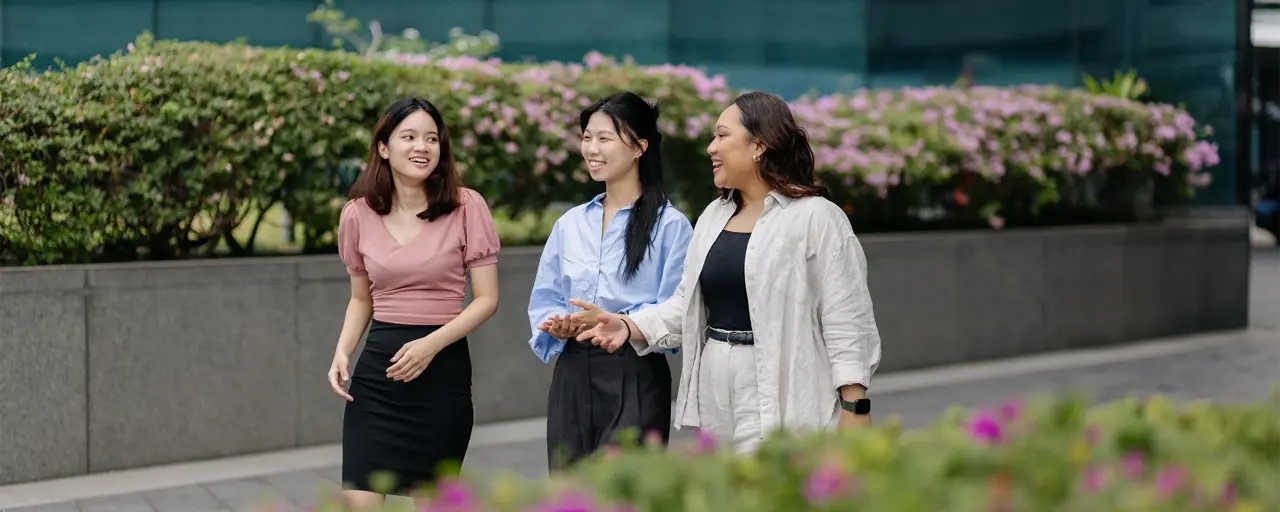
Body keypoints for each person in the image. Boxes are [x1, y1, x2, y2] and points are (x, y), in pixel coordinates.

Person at [575, 91, 882, 454]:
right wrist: (627, 325)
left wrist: (854, 405)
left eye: (722, 135)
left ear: (759, 146)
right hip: (717, 381)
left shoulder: (817, 218)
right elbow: (683, 306)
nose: (710, 148)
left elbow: (847, 320)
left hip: (783, 380)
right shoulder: (713, 216)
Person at [327, 97, 501, 507]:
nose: (422, 147)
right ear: (384, 148)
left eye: (431, 138)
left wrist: (431, 344)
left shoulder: (466, 206)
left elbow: (487, 299)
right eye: (409, 137)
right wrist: (341, 350)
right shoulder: (357, 214)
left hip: (442, 375)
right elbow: (360, 299)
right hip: (378, 377)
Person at [527, 92, 694, 470]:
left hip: (633, 371)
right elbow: (546, 297)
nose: (591, 149)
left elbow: (678, 308)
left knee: (623, 491)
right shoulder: (569, 224)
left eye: (604, 138)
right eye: (587, 137)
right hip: (572, 371)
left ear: (639, 147)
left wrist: (622, 322)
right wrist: (559, 323)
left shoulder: (671, 226)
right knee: (571, 491)